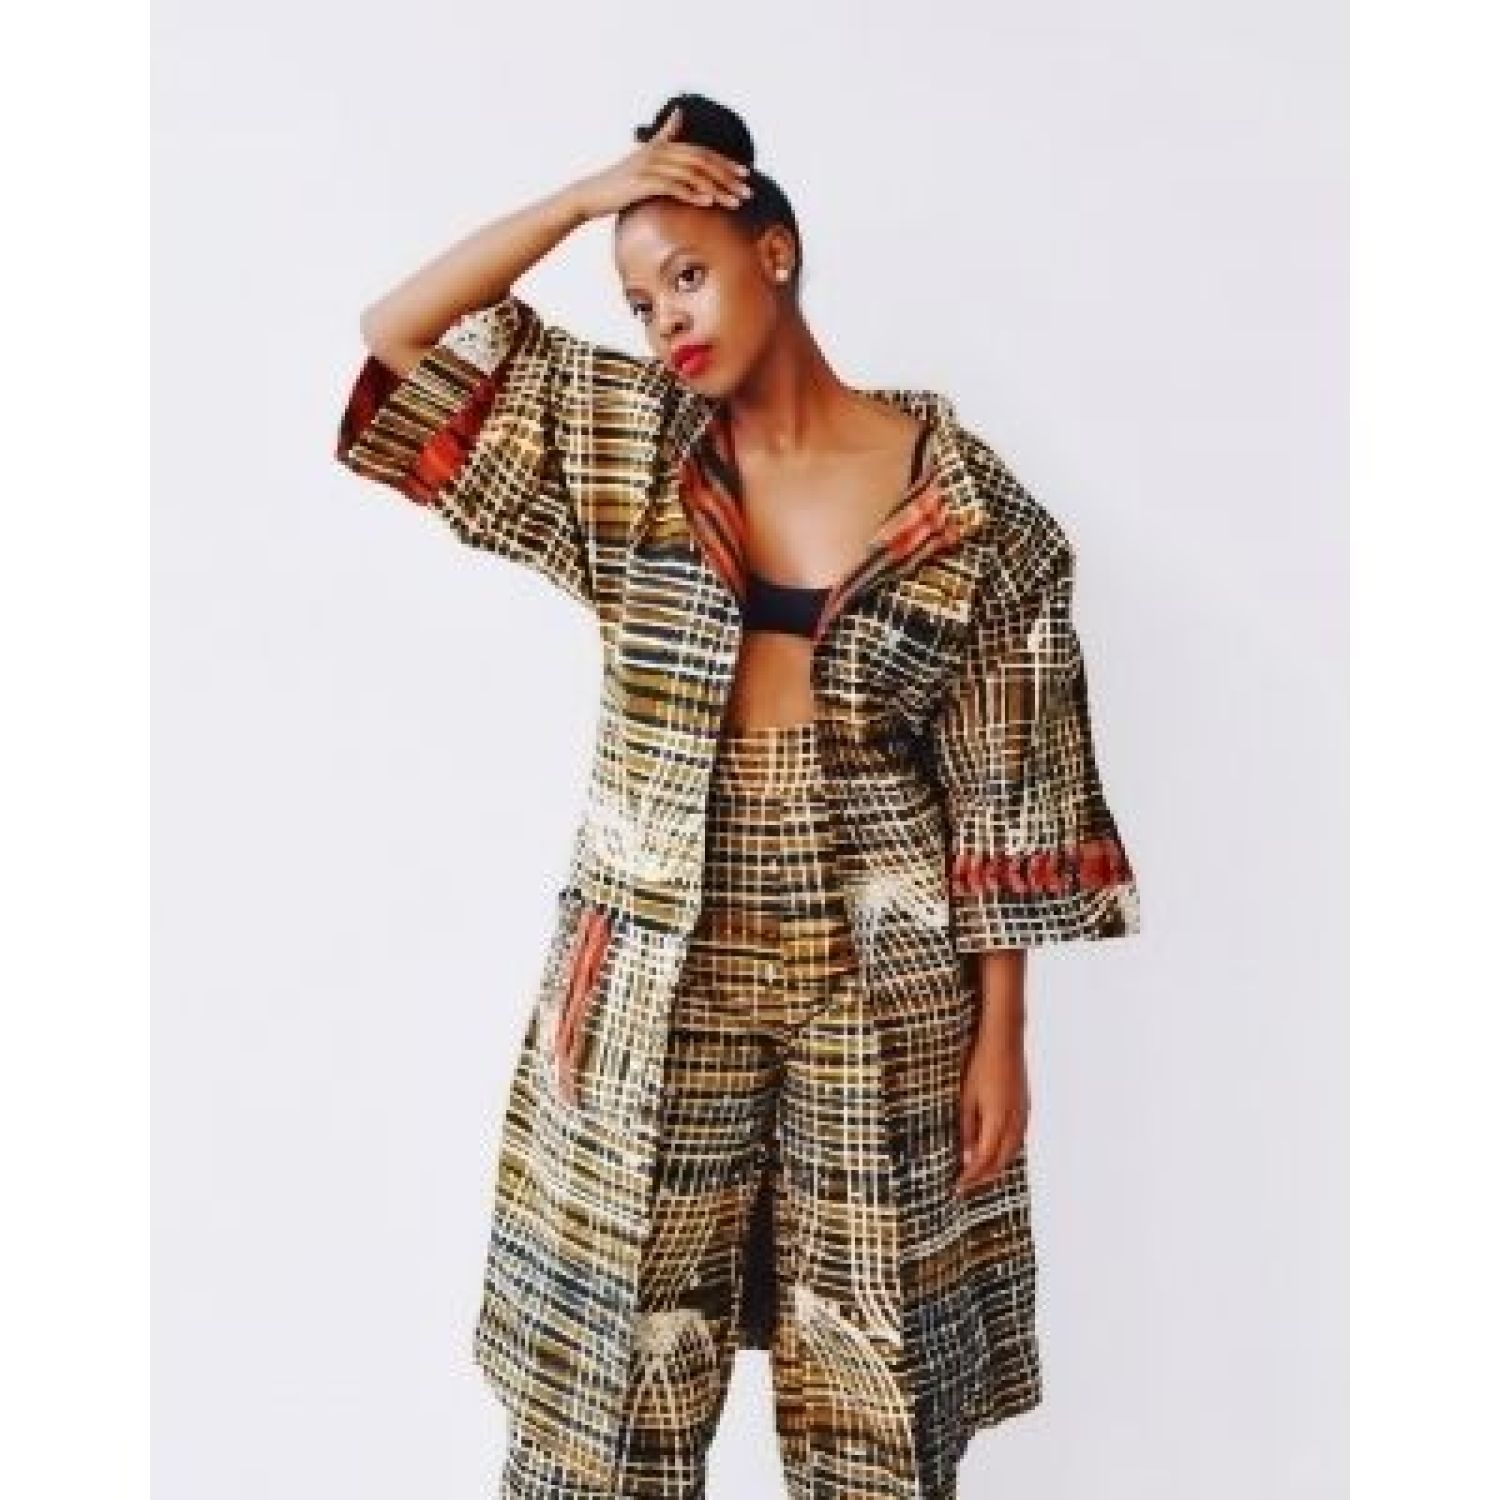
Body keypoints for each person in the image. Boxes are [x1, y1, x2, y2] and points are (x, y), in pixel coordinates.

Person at [335, 91, 1141, 1500]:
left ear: (776, 250)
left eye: (689, 275)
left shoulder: (974, 514)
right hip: (657, 957)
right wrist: (583, 199)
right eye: (641, 303)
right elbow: (397, 335)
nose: (668, 322)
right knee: (609, 1387)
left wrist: (1002, 1037)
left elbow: (1009, 793)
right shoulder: (630, 446)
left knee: (879, 1383)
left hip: (879, 971)